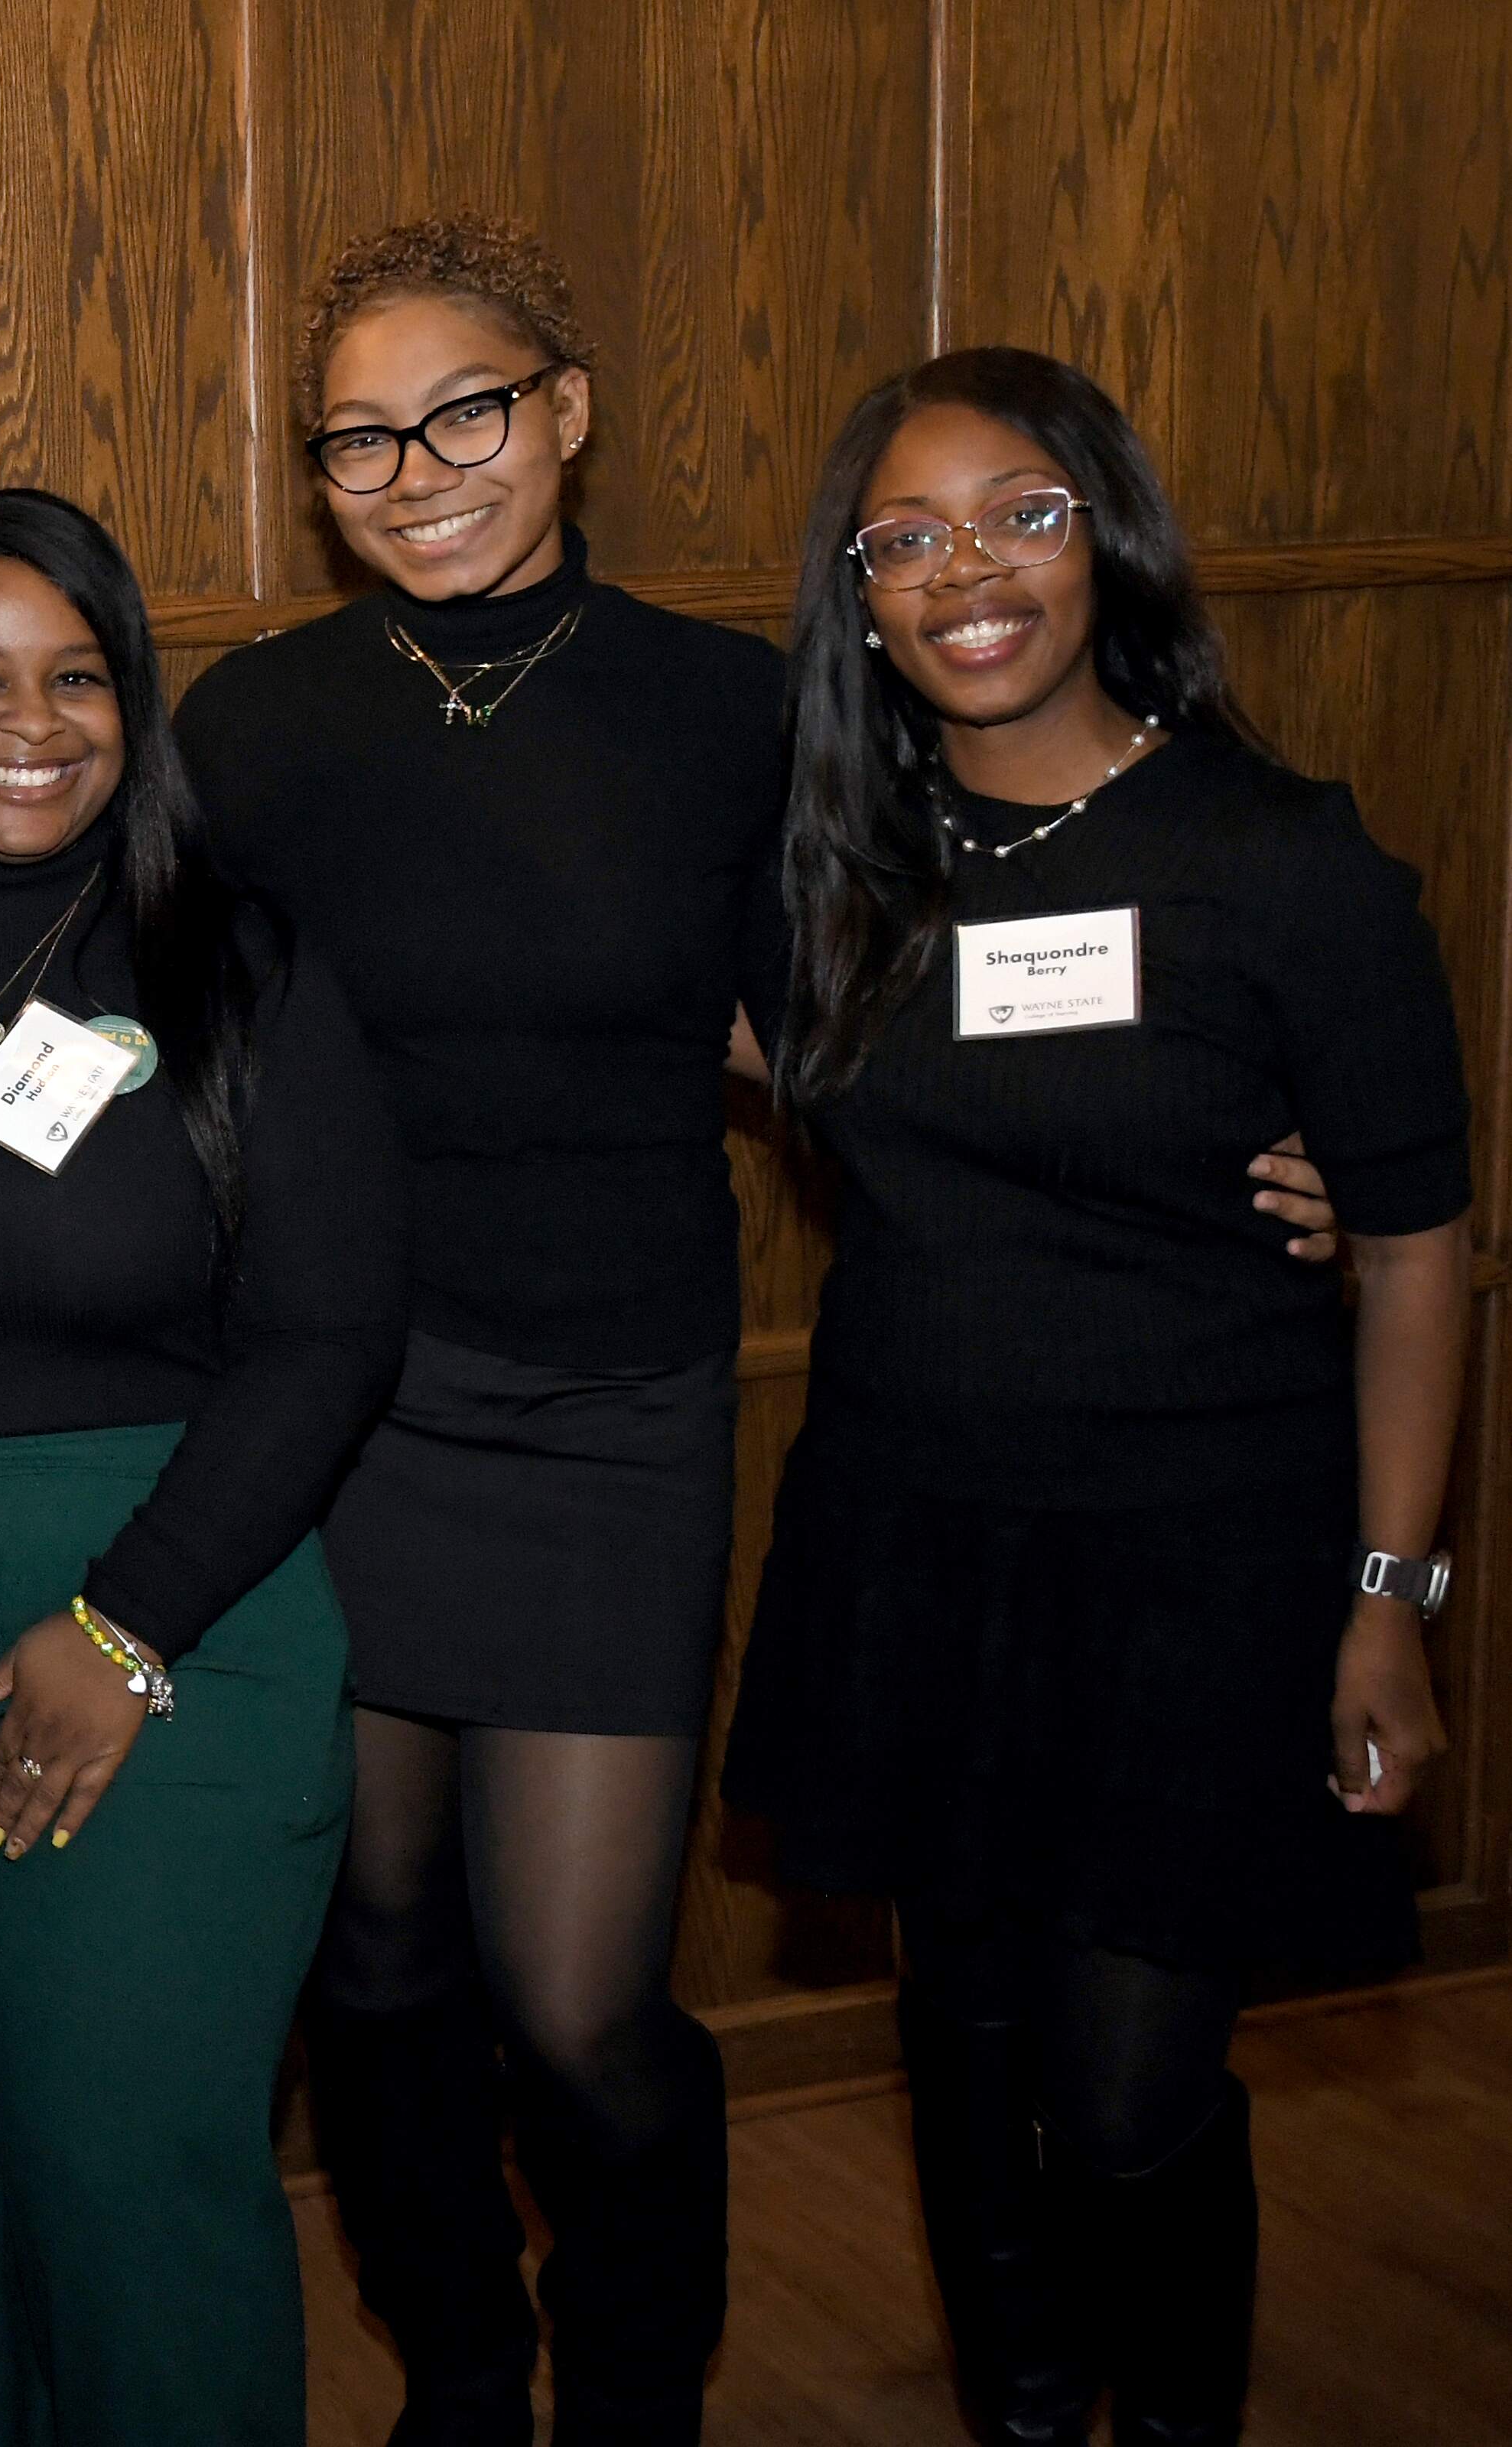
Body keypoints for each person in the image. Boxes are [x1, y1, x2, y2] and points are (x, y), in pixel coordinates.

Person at [727, 347, 1470, 2447]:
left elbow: (1416, 1248)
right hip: (914, 1541)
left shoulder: (1278, 860)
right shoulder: (831, 868)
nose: (963, 570)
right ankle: (1026, 2420)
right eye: (903, 537)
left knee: (1128, 2082)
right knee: (958, 2050)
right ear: (854, 591)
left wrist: (1388, 1595)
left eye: (1016, 515)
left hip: (1196, 1574)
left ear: (1103, 537)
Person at [172, 216, 777, 2445]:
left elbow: (865, 1033)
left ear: (569, 406)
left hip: (613, 1404)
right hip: (336, 1407)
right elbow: (143, 1045)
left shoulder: (734, 707)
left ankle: (634, 2394)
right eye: (355, 438)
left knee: (580, 2001)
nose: (414, 469)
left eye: (465, 411)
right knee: (378, 1963)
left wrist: (1221, 1159)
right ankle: (458, 2374)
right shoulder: (251, 721)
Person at [0, 487, 410, 2445]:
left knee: (133, 2167)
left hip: (192, 1602)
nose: (31, 721)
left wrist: (127, 1620)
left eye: (81, 677)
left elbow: (329, 1332)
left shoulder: (229, 957)